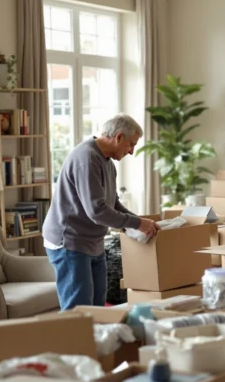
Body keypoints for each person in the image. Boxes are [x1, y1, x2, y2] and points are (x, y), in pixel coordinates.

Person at [42, 114, 161, 310]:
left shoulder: (107, 163)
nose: (132, 151)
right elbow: (97, 211)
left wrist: (140, 222)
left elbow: (113, 204)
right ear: (119, 137)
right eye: (131, 144)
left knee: (98, 308)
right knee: (79, 310)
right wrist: (137, 223)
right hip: (70, 241)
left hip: (93, 242)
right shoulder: (87, 158)